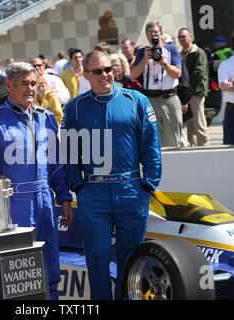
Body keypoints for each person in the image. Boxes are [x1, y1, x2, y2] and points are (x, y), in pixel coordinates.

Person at [62, 50, 162, 300]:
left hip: (131, 191)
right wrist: (78, 185)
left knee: (131, 259)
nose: (105, 75)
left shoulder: (136, 100)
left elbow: (151, 144)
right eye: (98, 71)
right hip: (93, 195)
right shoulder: (75, 107)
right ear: (86, 75)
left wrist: (148, 184)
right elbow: (69, 150)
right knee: (97, 257)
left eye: (108, 69)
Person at [0, 62, 74, 300]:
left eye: (33, 83)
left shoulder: (46, 118)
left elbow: (56, 166)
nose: (30, 89)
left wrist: (64, 198)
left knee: (50, 264)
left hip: (45, 202)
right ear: (9, 86)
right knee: (18, 270)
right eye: (24, 83)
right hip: (13, 204)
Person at [131, 21, 183, 147]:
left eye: (156, 32)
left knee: (173, 138)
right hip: (151, 99)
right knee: (152, 138)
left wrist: (163, 63)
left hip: (170, 98)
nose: (153, 35)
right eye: (150, 32)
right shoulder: (142, 51)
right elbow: (133, 74)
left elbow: (178, 73)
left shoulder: (171, 49)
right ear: (147, 35)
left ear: (161, 34)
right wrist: (144, 59)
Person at [178, 27, 210, 146]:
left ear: (190, 37)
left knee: (199, 124)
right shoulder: (181, 54)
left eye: (183, 36)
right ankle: (193, 151)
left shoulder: (198, 52)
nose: (181, 39)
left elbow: (199, 73)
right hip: (186, 95)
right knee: (189, 126)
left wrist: (183, 83)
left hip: (196, 92)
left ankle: (205, 149)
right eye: (179, 37)